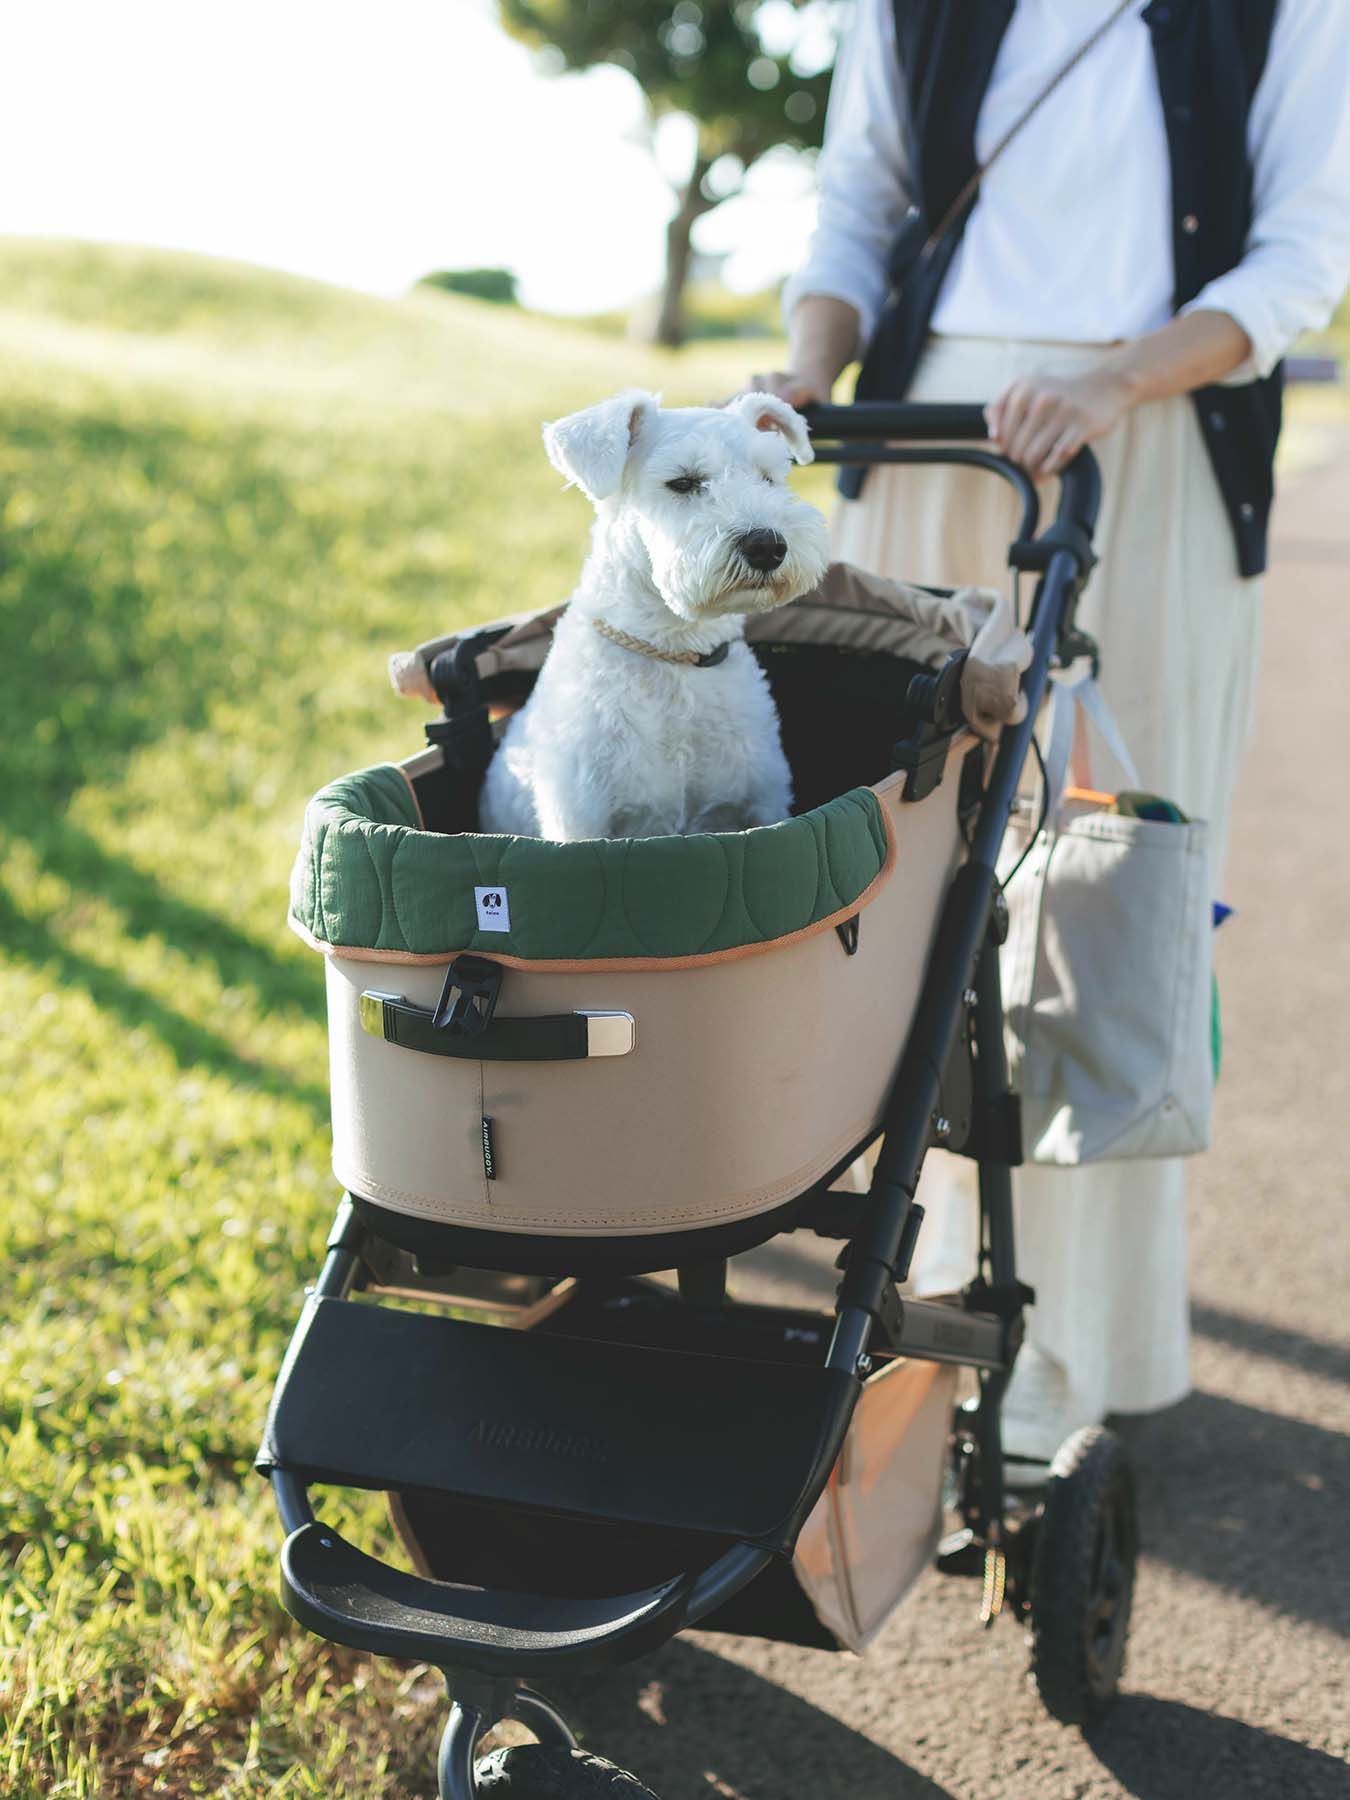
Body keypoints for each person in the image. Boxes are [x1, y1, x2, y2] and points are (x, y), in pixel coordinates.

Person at [754, 0, 1350, 1464]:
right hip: (920, 442)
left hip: (1144, 448)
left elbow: (1301, 258)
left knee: (1102, 901)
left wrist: (1115, 374)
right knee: (885, 891)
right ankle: (887, 1307)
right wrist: (802, 373)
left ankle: (1065, 1351)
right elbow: (860, 207)